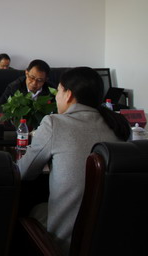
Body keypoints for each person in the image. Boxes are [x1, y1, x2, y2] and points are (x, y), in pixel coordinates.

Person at [18, 67, 130, 255]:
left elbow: (24, 172)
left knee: (31, 208)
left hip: (68, 243)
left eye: (58, 91)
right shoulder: (118, 125)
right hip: (113, 238)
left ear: (68, 95)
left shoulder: (54, 123)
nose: (56, 97)